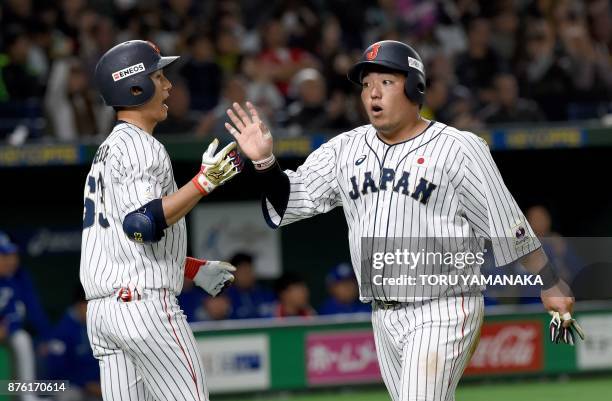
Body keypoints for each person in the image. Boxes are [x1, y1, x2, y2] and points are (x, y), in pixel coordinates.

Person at [225, 40, 578, 401]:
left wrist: (549, 282)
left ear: (413, 87)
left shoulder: (458, 148)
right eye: (366, 85)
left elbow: (508, 226)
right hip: (384, 313)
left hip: (445, 305)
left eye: (386, 82)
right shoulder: (344, 149)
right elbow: (290, 202)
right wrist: (265, 164)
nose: (372, 93)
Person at [80, 40, 242, 401]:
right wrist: (203, 182)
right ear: (135, 87)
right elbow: (141, 226)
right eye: (159, 76)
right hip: (145, 311)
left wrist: (192, 268)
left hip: (105, 315)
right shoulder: (141, 147)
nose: (168, 86)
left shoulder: (108, 150)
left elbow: (123, 243)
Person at [45, 286, 101, 401]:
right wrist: (85, 384)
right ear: (79, 305)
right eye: (91, 306)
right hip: (71, 387)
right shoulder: (62, 331)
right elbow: (57, 372)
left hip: (96, 386)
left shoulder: (97, 326)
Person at [224, 252, 275, 319]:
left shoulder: (266, 294)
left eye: (250, 271)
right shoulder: (225, 296)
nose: (248, 275)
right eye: (244, 272)